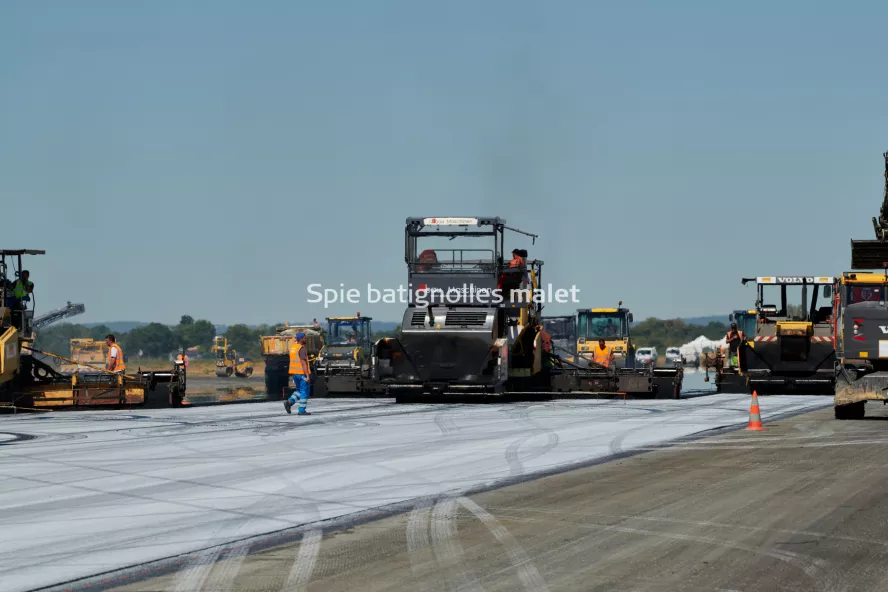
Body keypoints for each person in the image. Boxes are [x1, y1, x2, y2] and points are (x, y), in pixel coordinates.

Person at [285, 332, 311, 415]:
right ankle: (301, 410)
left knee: (298, 390)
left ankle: (289, 403)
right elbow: (303, 363)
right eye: (304, 338)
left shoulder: (294, 348)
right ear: (301, 339)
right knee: (304, 392)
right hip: (301, 373)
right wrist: (307, 375)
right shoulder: (301, 349)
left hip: (295, 373)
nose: (305, 339)